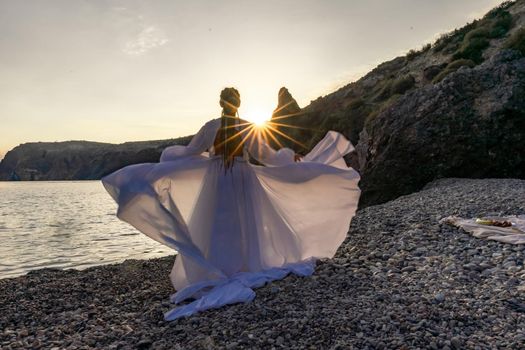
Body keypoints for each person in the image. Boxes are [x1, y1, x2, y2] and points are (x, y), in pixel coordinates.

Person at [102, 87, 360, 320]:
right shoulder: (247, 126)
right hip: (243, 177)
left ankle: (216, 267)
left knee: (215, 222)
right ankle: (246, 262)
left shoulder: (211, 126)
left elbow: (190, 152)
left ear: (221, 103)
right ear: (238, 104)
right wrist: (289, 158)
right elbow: (266, 157)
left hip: (217, 180)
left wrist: (170, 154)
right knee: (246, 220)